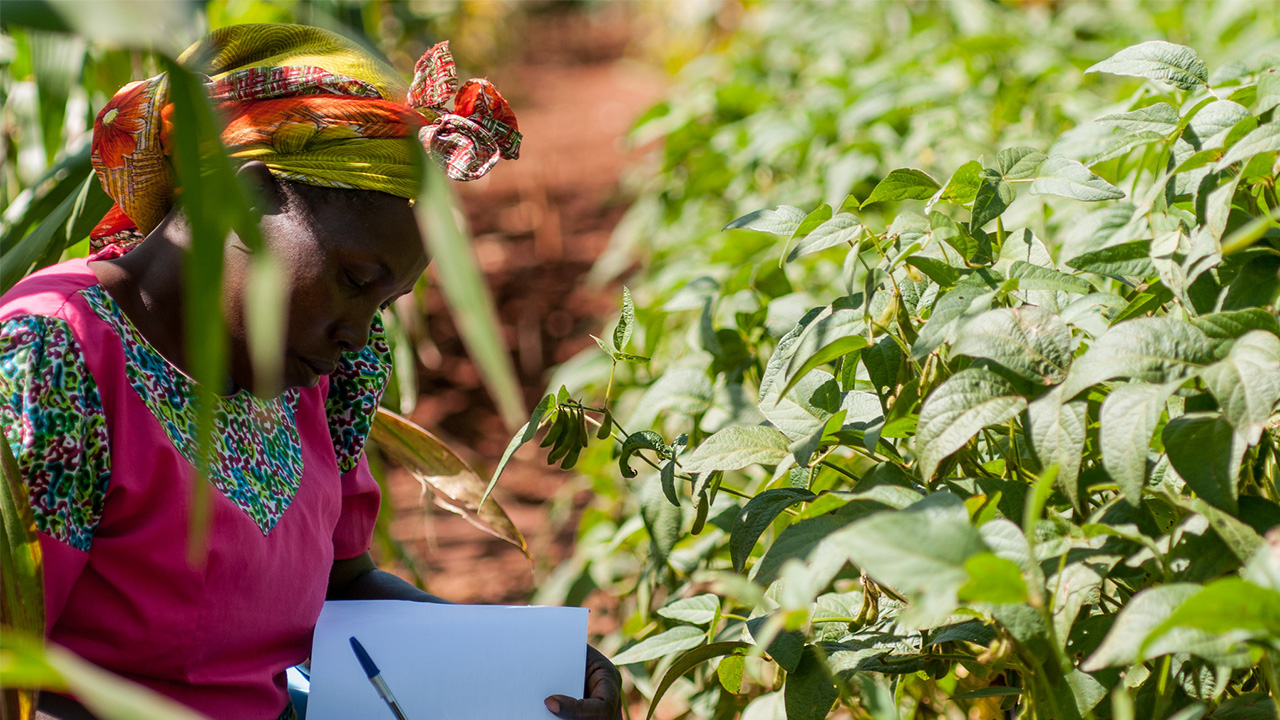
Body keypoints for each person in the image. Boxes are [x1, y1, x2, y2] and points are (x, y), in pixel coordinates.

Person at [0, 23, 621, 720]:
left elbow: (341, 586)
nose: (359, 335)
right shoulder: (52, 361)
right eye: (355, 280)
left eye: (385, 302)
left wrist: (523, 667)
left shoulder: (308, 370)